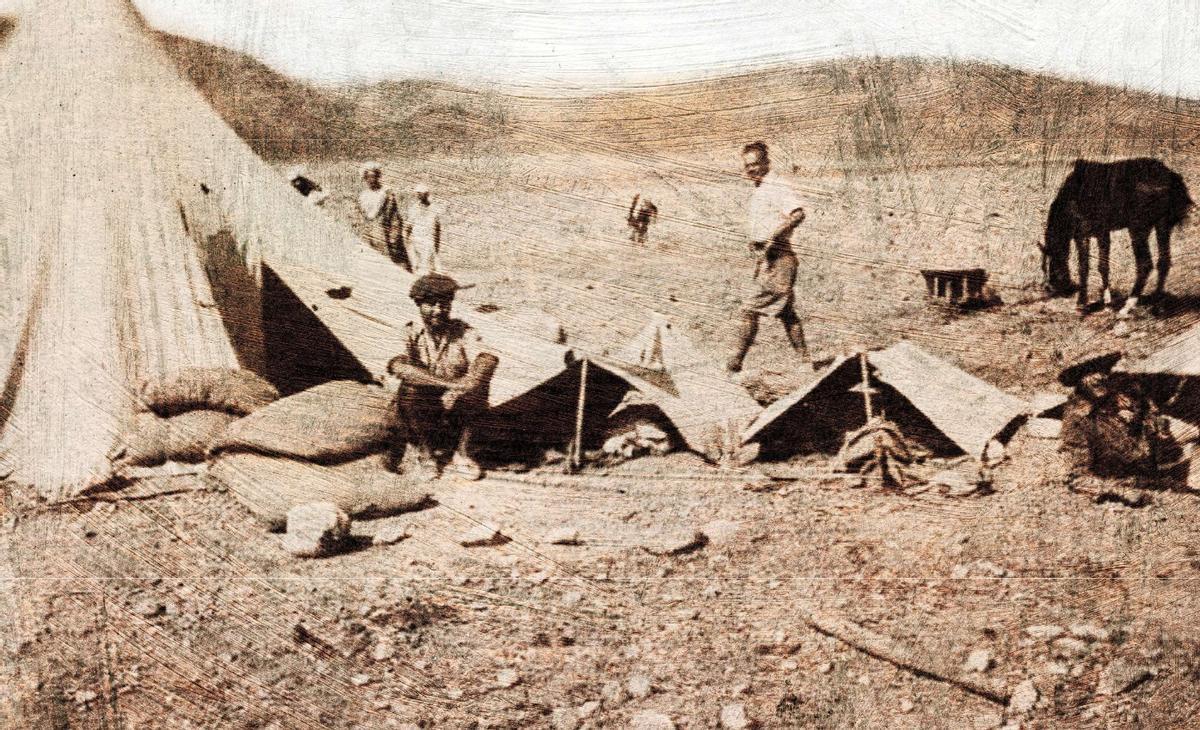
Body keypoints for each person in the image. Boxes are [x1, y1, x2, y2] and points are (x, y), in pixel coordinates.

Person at [382, 273, 497, 481]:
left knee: (479, 387)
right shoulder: (407, 331)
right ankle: (425, 456)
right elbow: (399, 367)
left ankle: (462, 455)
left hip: (454, 409)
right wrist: (451, 385)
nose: (438, 310)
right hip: (418, 411)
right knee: (410, 389)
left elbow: (487, 358)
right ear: (418, 304)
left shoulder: (462, 331)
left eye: (444, 304)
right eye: (430, 304)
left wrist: (468, 384)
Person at [726, 141, 811, 373]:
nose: (750, 170)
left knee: (749, 309)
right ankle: (805, 363)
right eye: (747, 166)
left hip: (780, 258)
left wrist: (773, 238)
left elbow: (798, 214)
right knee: (786, 313)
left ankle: (734, 364)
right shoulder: (761, 188)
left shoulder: (776, 185)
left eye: (755, 164)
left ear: (766, 163)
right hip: (768, 260)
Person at [357, 162, 408, 270]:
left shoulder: (386, 193)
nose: (371, 180)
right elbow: (362, 217)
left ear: (378, 176)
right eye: (368, 177)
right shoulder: (363, 196)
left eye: (373, 176)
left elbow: (394, 217)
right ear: (365, 178)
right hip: (369, 233)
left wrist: (394, 237)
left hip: (384, 233)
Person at [404, 183, 442, 275]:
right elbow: (408, 226)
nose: (419, 195)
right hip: (416, 241)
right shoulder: (414, 208)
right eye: (418, 193)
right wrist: (407, 240)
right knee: (416, 267)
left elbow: (437, 229)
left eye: (421, 193)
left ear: (426, 194)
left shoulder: (434, 209)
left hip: (428, 242)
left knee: (428, 268)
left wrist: (436, 245)